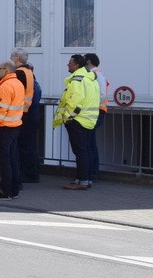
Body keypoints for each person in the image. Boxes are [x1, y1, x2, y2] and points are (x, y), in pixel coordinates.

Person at [53, 54, 100, 190]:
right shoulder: (91, 79)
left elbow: (74, 102)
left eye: (70, 63)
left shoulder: (77, 80)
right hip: (89, 120)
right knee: (85, 151)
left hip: (77, 121)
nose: (68, 65)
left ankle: (81, 181)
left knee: (80, 152)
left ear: (77, 65)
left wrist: (69, 118)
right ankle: (86, 179)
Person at [0, 61, 26, 199]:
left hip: (3, 128)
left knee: (4, 161)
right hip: (14, 126)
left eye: (0, 69)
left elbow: (1, 109)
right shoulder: (17, 83)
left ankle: (5, 191)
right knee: (12, 159)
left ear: (7, 70)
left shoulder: (6, 85)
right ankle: (14, 190)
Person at [10, 49, 43, 183]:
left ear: (17, 57)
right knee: (29, 146)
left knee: (23, 146)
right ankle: (32, 173)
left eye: (12, 56)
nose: (11, 58)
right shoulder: (29, 72)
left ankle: (25, 174)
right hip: (31, 113)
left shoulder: (19, 73)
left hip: (23, 115)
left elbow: (9, 85)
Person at [84, 53, 110, 182]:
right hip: (96, 111)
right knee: (90, 143)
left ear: (88, 61)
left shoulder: (96, 75)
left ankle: (91, 173)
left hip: (96, 111)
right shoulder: (97, 74)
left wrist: (90, 105)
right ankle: (92, 172)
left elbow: (102, 95)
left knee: (89, 143)